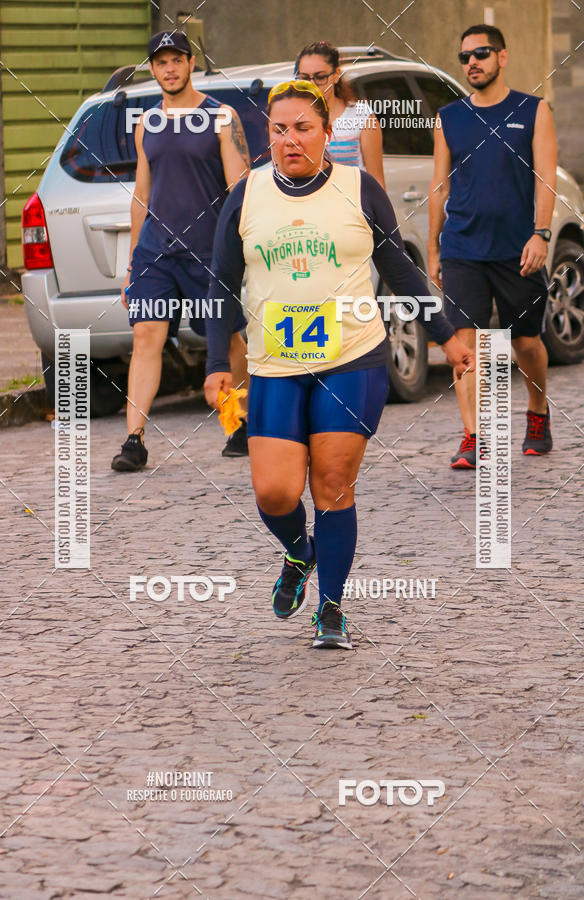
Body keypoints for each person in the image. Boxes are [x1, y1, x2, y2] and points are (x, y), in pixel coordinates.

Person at [203, 81, 474, 649]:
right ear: (267, 136)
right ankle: (299, 551)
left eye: (303, 127)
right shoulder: (246, 194)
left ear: (328, 132)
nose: (290, 139)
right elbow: (222, 282)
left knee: (331, 484)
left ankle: (331, 610)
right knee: (275, 493)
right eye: (279, 129)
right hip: (275, 362)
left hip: (352, 358)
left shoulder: (359, 188)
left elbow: (399, 270)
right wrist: (215, 361)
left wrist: (444, 334)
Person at [112, 30, 251, 472]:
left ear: (192, 64)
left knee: (227, 337)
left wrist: (239, 250)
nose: (169, 69)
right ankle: (134, 439)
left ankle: (240, 422)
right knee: (146, 335)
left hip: (208, 250)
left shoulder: (220, 117)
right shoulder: (146, 123)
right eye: (160, 62)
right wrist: (133, 262)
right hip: (157, 251)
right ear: (152, 69)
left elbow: (239, 189)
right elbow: (141, 194)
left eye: (177, 60)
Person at [428, 24, 557, 469]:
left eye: (481, 53)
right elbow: (439, 187)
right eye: (465, 57)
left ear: (502, 57)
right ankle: (474, 437)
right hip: (463, 248)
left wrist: (540, 233)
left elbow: (545, 178)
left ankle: (537, 413)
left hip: (517, 249)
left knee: (526, 342)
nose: (472, 63)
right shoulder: (448, 117)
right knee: (465, 344)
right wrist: (433, 247)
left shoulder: (534, 110)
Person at [294, 41, 386, 189]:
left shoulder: (361, 115)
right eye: (305, 78)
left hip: (352, 206)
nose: (312, 84)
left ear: (336, 75)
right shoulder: (291, 118)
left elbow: (377, 181)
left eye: (320, 77)